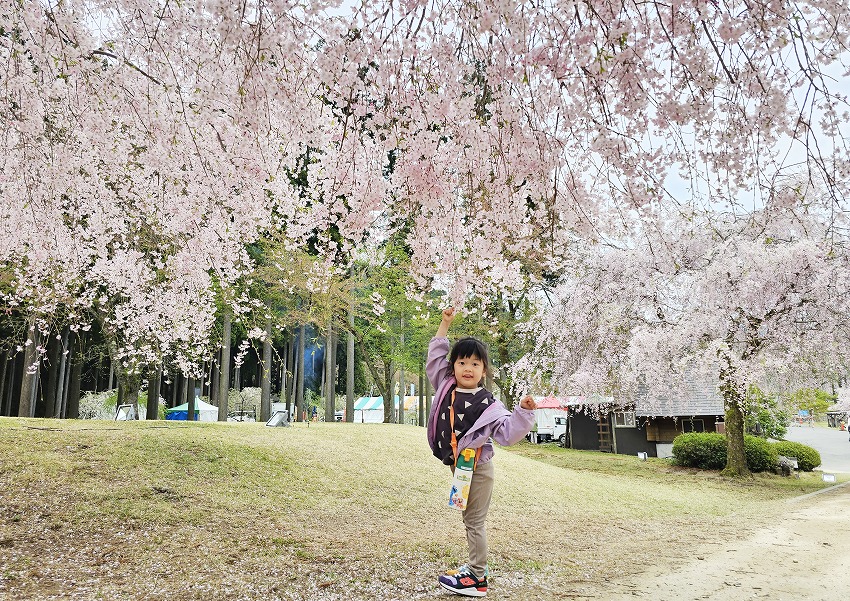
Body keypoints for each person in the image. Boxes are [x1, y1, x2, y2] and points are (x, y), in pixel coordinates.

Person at [426, 307, 537, 598]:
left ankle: (477, 578)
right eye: (462, 362)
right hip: (459, 467)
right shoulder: (446, 387)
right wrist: (445, 323)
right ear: (452, 367)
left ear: (484, 371)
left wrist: (523, 412)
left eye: (475, 364)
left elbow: (508, 434)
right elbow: (435, 357)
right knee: (469, 519)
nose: (468, 368)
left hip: (479, 467)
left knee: (474, 522)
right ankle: (475, 569)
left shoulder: (488, 403)